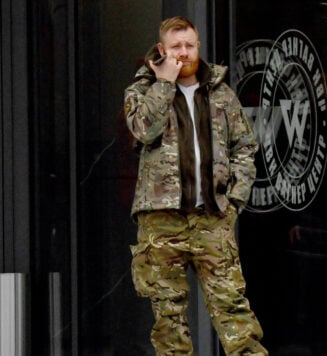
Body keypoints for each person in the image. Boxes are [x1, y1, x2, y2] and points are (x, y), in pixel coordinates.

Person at [123, 16, 267, 356]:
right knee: (168, 319)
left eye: (189, 45)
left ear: (198, 46)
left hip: (212, 216)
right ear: (161, 50)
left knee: (233, 310)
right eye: (176, 47)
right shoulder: (141, 90)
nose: (184, 53)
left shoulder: (221, 93)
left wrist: (234, 200)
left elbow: (245, 147)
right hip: (161, 221)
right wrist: (164, 84)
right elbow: (143, 130)